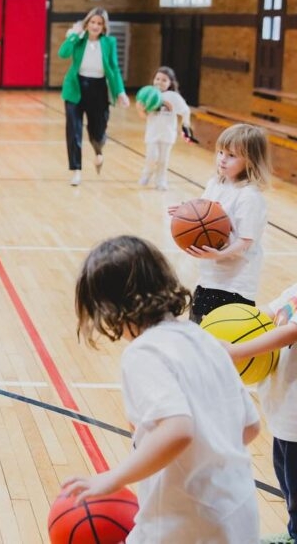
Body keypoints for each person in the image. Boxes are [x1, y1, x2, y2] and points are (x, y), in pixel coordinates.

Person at [62, 235, 260, 543]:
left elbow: (178, 430)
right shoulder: (203, 338)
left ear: (110, 306)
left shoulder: (144, 352)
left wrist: (112, 479)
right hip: (239, 513)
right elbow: (250, 427)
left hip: (185, 522)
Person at [168, 123, 271, 323]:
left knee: (220, 341)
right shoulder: (215, 184)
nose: (222, 159)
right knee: (198, 333)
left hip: (235, 285)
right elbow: (205, 214)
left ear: (250, 161)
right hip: (209, 278)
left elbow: (246, 240)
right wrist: (186, 212)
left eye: (231, 155)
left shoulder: (249, 196)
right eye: (221, 152)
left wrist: (220, 254)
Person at [223, 282, 297, 544]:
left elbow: (290, 333)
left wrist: (237, 351)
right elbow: (264, 314)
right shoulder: (294, 290)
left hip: (294, 415)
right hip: (284, 411)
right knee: (286, 479)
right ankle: (293, 531)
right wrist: (217, 327)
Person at [58, 7, 129, 186]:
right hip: (76, 88)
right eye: (93, 22)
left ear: (104, 26)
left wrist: (120, 92)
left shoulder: (109, 42)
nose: (95, 26)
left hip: (99, 89)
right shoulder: (78, 39)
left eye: (99, 23)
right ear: (87, 23)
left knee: (97, 131)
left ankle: (98, 151)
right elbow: (63, 53)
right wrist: (74, 35)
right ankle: (76, 170)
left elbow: (113, 68)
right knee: (73, 130)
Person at [137, 66, 192, 191]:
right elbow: (144, 116)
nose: (159, 82)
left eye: (164, 80)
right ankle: (147, 173)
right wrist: (140, 108)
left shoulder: (173, 97)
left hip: (168, 135)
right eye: (157, 79)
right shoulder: (149, 95)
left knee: (163, 160)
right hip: (152, 134)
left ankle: (161, 181)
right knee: (152, 157)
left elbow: (185, 111)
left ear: (170, 83)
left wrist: (185, 123)